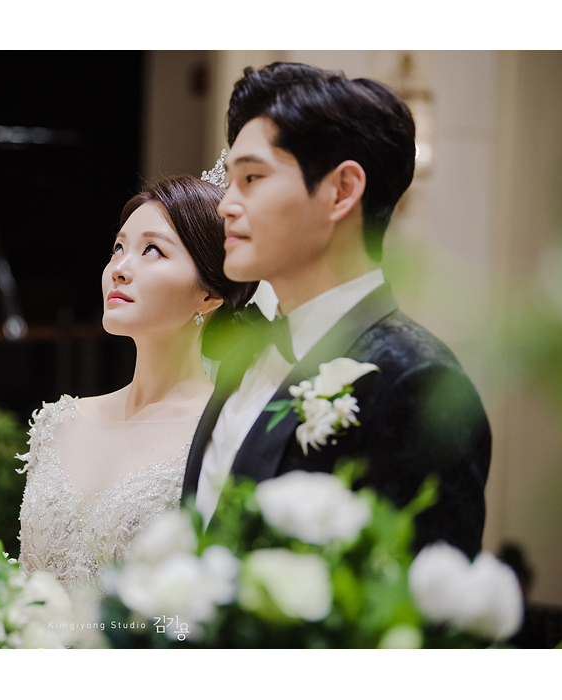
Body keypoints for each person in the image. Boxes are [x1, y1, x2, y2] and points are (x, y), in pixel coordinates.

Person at [182, 63, 491, 558]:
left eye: (252, 177)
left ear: (342, 191)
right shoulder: (248, 351)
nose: (225, 205)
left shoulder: (416, 382)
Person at [17, 175, 256, 591]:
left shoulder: (225, 430)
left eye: (152, 250)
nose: (120, 270)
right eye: (118, 248)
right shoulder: (59, 421)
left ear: (210, 295)